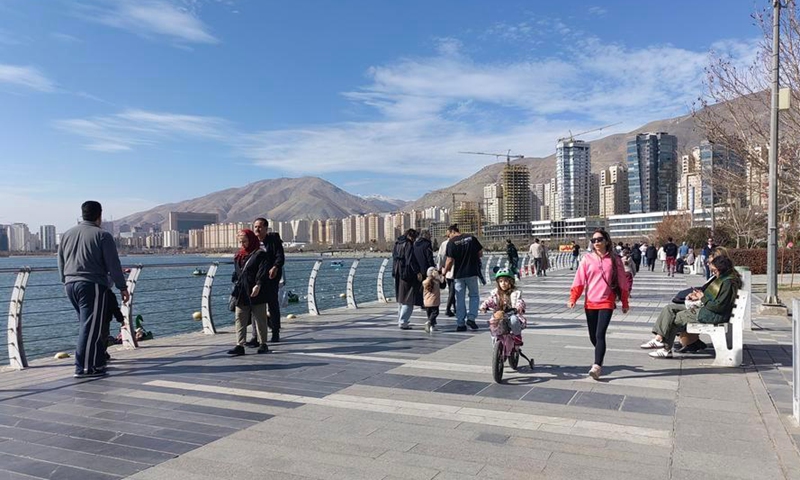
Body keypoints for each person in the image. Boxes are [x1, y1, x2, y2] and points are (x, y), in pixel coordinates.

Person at [58, 201, 129, 378]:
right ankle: (84, 368)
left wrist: (65, 281)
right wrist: (122, 287)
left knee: (90, 326)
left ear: (82, 214)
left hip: (70, 285)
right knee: (90, 328)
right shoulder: (102, 235)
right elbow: (114, 264)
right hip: (92, 285)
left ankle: (97, 363)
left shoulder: (67, 234)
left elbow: (60, 261)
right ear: (100, 215)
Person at [642, 256, 742, 358]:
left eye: (714, 270)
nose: (712, 272)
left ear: (720, 268)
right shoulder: (725, 279)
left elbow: (718, 306)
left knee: (676, 318)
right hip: (708, 310)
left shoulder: (727, 283)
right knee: (669, 308)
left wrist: (702, 298)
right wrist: (698, 297)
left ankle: (665, 349)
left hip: (712, 314)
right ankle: (659, 339)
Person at [567, 228, 630, 380]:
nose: (596, 242)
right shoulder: (587, 259)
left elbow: (622, 281)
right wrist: (573, 298)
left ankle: (597, 366)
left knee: (600, 334)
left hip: (606, 301)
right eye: (594, 240)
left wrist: (624, 301)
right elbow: (579, 280)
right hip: (590, 302)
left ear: (606, 241)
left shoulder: (615, 260)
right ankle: (600, 354)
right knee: (593, 336)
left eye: (599, 239)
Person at [228, 229, 270, 355]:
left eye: (244, 241)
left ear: (251, 240)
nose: (242, 244)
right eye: (240, 242)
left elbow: (262, 272)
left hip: (257, 291)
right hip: (242, 291)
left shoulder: (260, 254)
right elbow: (237, 273)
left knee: (260, 318)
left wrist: (258, 285)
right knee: (239, 318)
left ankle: (263, 343)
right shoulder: (239, 255)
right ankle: (239, 345)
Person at [246, 217, 285, 345]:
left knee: (272, 304)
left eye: (260, 226)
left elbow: (280, 256)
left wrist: (275, 267)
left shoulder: (273, 240)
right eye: (255, 226)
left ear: (266, 228)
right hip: (256, 279)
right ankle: (255, 337)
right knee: (255, 307)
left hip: (271, 278)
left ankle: (275, 332)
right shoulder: (252, 242)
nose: (257, 229)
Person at [443, 224, 483, 332]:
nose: (448, 237)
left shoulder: (451, 243)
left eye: (448, 234)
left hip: (459, 275)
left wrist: (444, 273)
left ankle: (460, 323)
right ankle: (471, 318)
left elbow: (449, 260)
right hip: (472, 272)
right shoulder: (471, 238)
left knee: (460, 299)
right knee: (474, 295)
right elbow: (480, 253)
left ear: (452, 231)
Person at [479, 268, 527, 342]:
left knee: (514, 320)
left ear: (511, 282)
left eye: (506, 281)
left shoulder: (515, 293)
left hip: (512, 314)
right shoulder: (496, 293)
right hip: (499, 314)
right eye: (501, 281)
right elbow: (490, 300)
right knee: (493, 322)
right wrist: (484, 306)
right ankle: (496, 340)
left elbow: (520, 301)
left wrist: (518, 307)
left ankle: (517, 337)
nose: (503, 283)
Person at [393, 229, 421, 330]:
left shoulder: (397, 243)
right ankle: (403, 322)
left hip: (397, 273)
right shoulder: (408, 244)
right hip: (407, 274)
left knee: (401, 298)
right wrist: (417, 272)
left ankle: (400, 320)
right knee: (408, 299)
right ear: (411, 236)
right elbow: (410, 260)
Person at [437, 232, 455, 317]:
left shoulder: (444, 244)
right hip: (453, 269)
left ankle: (454, 307)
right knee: (453, 290)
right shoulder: (452, 243)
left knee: (452, 289)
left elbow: (440, 257)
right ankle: (448, 309)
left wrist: (440, 268)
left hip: (446, 270)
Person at [422, 267, 444, 333]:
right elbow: (443, 286)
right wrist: (441, 277)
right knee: (435, 313)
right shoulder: (436, 282)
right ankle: (429, 322)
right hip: (434, 302)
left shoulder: (424, 282)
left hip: (426, 302)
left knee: (429, 315)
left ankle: (432, 326)